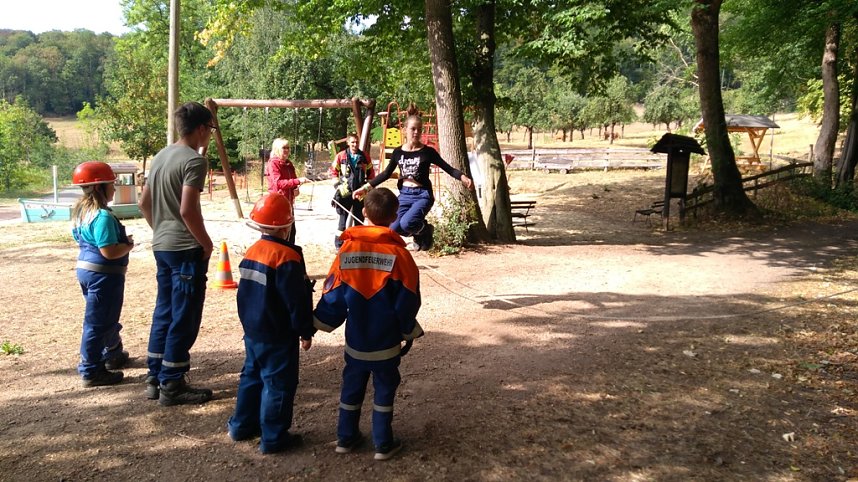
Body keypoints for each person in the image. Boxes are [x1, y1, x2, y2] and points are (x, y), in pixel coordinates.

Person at [313, 187, 424, 461]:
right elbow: (408, 300)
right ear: (395, 216)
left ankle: (345, 437)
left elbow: (333, 294)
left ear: (364, 212)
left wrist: (316, 323)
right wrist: (407, 329)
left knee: (351, 387)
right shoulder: (401, 256)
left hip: (356, 341)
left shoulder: (347, 251)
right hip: (386, 341)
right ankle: (383, 443)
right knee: (385, 389)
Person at [139, 101, 215, 406]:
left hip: (162, 246)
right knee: (184, 315)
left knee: (165, 310)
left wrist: (160, 229)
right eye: (210, 129)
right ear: (201, 128)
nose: (210, 134)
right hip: (185, 249)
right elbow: (187, 209)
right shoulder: (194, 161)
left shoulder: (161, 156)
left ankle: (154, 377)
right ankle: (172, 383)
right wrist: (206, 243)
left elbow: (144, 203)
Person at [227, 193, 316, 454]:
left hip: (253, 331)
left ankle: (241, 426)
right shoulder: (287, 257)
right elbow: (295, 302)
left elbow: (244, 295)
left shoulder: (253, 251)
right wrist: (305, 331)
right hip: (278, 334)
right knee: (278, 384)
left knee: (251, 377)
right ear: (286, 226)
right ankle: (273, 438)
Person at [352, 105, 472, 251]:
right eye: (413, 129)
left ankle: (425, 230)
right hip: (405, 195)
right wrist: (365, 188)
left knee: (407, 223)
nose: (416, 132)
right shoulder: (398, 152)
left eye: (419, 129)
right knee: (394, 228)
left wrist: (462, 177)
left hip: (422, 195)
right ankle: (419, 232)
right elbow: (385, 174)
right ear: (405, 130)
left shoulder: (427, 152)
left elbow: (448, 168)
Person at [71, 161, 134, 387]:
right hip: (104, 275)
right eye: (111, 184)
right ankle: (91, 370)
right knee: (98, 322)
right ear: (99, 187)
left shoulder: (81, 213)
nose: (114, 188)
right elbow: (109, 251)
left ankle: (113, 352)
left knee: (104, 317)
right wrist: (128, 245)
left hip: (87, 271)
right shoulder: (103, 217)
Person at [330, 133, 374, 249]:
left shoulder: (365, 157)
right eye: (353, 142)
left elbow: (371, 173)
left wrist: (368, 188)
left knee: (359, 220)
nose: (355, 144)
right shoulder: (341, 156)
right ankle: (339, 245)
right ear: (348, 143)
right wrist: (338, 186)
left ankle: (358, 244)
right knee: (342, 221)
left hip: (360, 193)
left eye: (356, 142)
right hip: (345, 193)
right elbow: (333, 171)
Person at [266, 138, 308, 244]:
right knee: (279, 234)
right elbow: (278, 183)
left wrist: (295, 188)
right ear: (277, 149)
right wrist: (297, 181)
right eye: (284, 148)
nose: (286, 150)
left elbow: (293, 180)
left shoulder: (289, 164)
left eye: (288, 148)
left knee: (291, 233)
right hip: (277, 204)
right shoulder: (273, 163)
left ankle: (289, 253)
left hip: (289, 203)